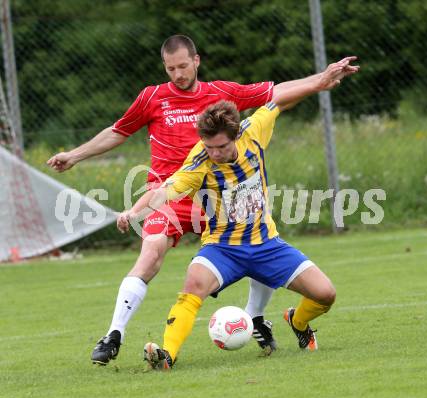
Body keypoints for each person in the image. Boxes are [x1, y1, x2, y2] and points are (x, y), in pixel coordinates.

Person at [46, 34, 316, 364]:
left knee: (255, 243)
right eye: (171, 68)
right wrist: (75, 155)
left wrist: (323, 79)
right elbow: (118, 130)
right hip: (168, 195)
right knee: (151, 252)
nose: (178, 74)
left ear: (197, 61)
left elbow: (275, 94)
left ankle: (255, 317)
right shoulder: (152, 97)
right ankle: (114, 333)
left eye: (183, 66)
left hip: (215, 195)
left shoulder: (221, 92)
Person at [116, 56, 359, 370]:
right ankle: (167, 355)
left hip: (266, 244)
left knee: (326, 295)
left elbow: (279, 98)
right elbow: (163, 190)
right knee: (193, 284)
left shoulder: (252, 132)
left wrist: (321, 81)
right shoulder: (200, 160)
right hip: (222, 249)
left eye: (220, 147)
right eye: (209, 146)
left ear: (234, 135)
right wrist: (133, 211)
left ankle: (297, 322)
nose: (214, 153)